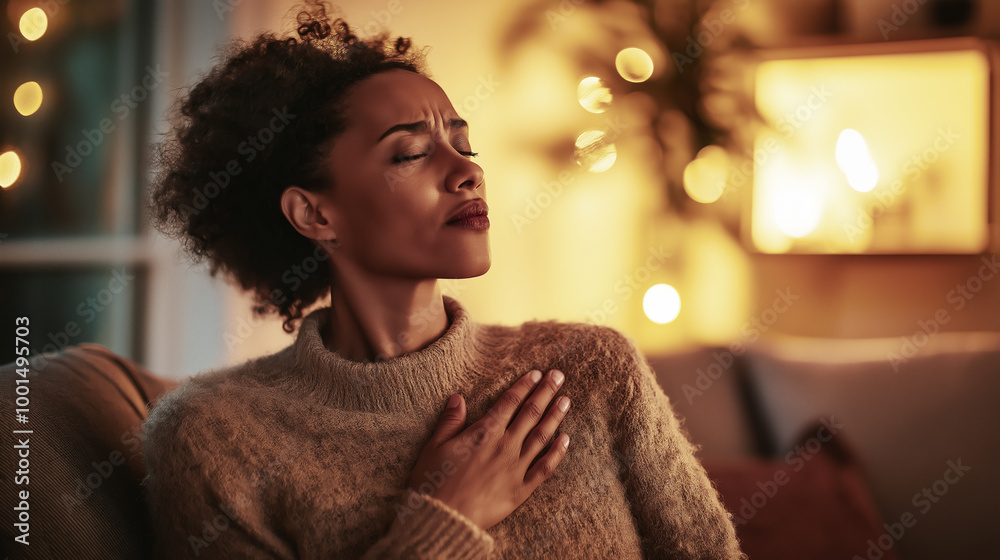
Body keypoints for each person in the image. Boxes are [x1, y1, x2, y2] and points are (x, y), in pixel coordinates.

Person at [141, 2, 746, 558]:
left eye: (464, 145)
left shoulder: (591, 368)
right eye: (410, 153)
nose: (467, 173)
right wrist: (447, 518)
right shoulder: (210, 439)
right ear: (315, 214)